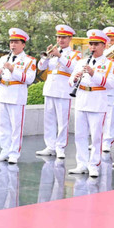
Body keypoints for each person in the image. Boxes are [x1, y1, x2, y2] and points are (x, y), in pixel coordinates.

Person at [69, 30, 114, 177]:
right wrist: (75, 80)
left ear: (104, 45)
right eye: (91, 44)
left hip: (97, 101)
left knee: (96, 136)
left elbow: (111, 83)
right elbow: (70, 80)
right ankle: (81, 164)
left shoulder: (110, 64)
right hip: (82, 99)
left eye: (96, 44)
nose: (93, 47)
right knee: (80, 135)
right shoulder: (81, 62)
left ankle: (94, 164)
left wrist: (94, 73)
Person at [0, 28, 36, 164]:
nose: (13, 45)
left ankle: (14, 153)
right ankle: (4, 150)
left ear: (23, 44)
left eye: (16, 42)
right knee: (3, 125)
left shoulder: (29, 60)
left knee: (16, 126)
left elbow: (29, 79)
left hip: (17, 95)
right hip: (4, 93)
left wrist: (12, 70)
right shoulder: (4, 58)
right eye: (11, 42)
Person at [36, 25, 79, 158]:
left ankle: (60, 147)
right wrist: (46, 57)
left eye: (64, 38)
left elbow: (73, 68)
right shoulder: (52, 52)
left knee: (62, 121)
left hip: (63, 90)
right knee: (49, 120)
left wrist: (59, 55)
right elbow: (40, 67)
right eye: (59, 37)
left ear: (70, 38)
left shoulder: (75, 54)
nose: (60, 40)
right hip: (50, 89)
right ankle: (50, 146)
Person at [104, 27, 114, 153]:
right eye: (108, 40)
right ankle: (100, 140)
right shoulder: (101, 53)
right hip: (100, 87)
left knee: (111, 115)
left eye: (112, 40)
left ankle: (107, 141)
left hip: (112, 86)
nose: (110, 42)